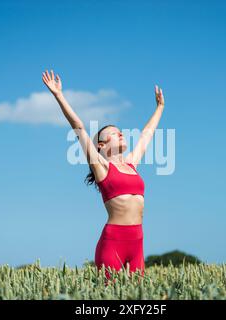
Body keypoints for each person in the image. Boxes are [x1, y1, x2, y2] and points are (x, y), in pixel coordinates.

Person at [42, 69, 165, 283]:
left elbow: (147, 135)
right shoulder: (102, 167)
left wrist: (160, 108)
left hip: (137, 242)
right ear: (101, 144)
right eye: (114, 133)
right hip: (113, 242)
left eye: (121, 131)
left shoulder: (131, 164)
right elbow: (78, 126)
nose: (121, 133)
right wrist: (59, 95)